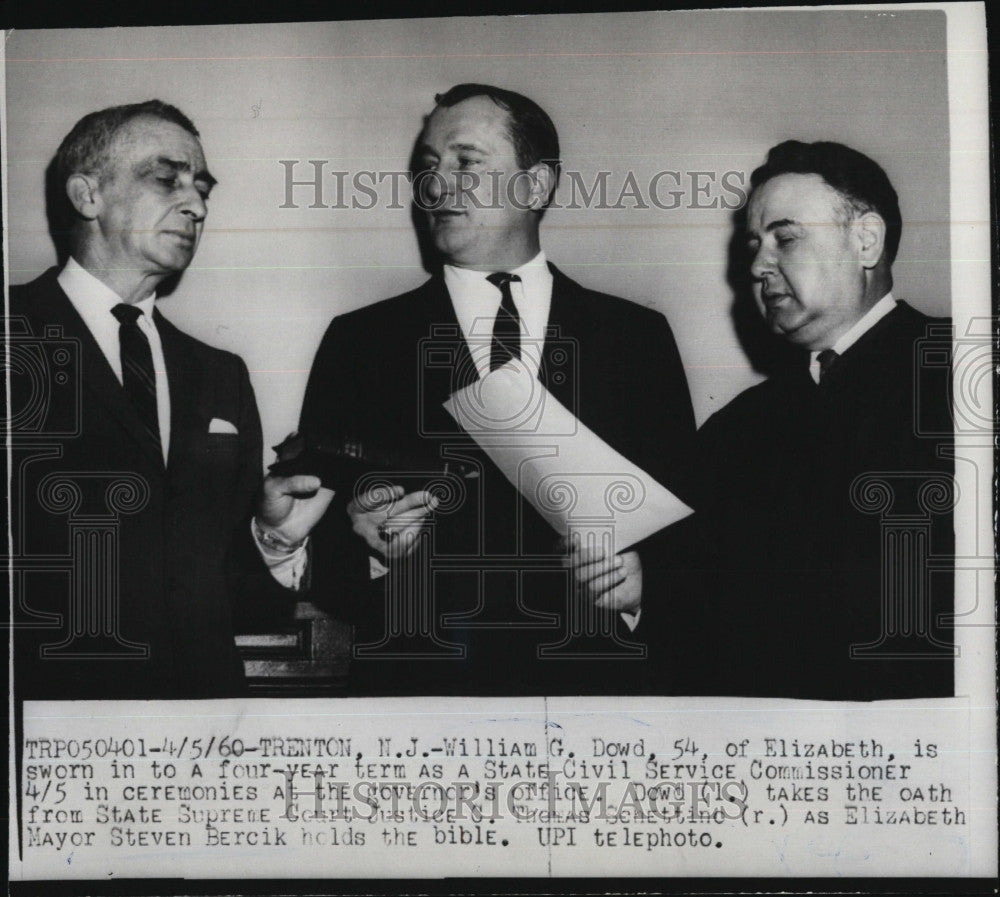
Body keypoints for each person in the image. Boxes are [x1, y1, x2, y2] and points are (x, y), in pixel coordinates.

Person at [255, 83, 697, 695]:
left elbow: (692, 530)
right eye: (428, 169)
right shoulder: (360, 342)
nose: (436, 186)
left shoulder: (637, 338)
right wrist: (373, 553)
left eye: (466, 163)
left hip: (598, 690)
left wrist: (646, 583)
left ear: (536, 186)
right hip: (422, 692)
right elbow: (324, 553)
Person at [10, 100, 313, 699]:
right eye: (166, 178)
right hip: (44, 725)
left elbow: (242, 603)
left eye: (201, 188)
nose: (197, 206)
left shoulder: (222, 375)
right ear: (87, 195)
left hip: (198, 734)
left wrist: (274, 537)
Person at [663, 140, 954, 700]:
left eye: (785, 238)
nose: (756, 266)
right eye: (754, 244)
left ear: (866, 240)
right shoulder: (739, 428)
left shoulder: (964, 374)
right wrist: (639, 591)